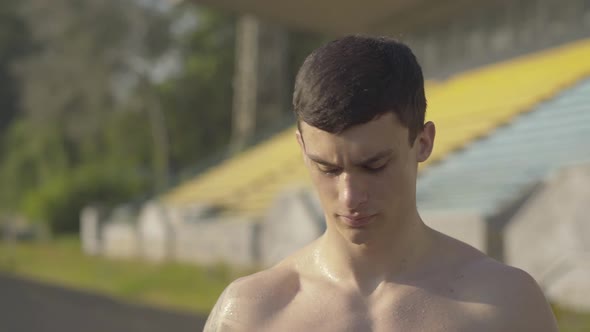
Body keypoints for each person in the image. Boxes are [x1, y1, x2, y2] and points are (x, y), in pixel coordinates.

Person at [203, 35, 558, 331]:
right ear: (302, 148)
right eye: (326, 168)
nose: (349, 196)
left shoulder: (507, 305)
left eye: (374, 166)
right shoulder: (250, 313)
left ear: (422, 142)